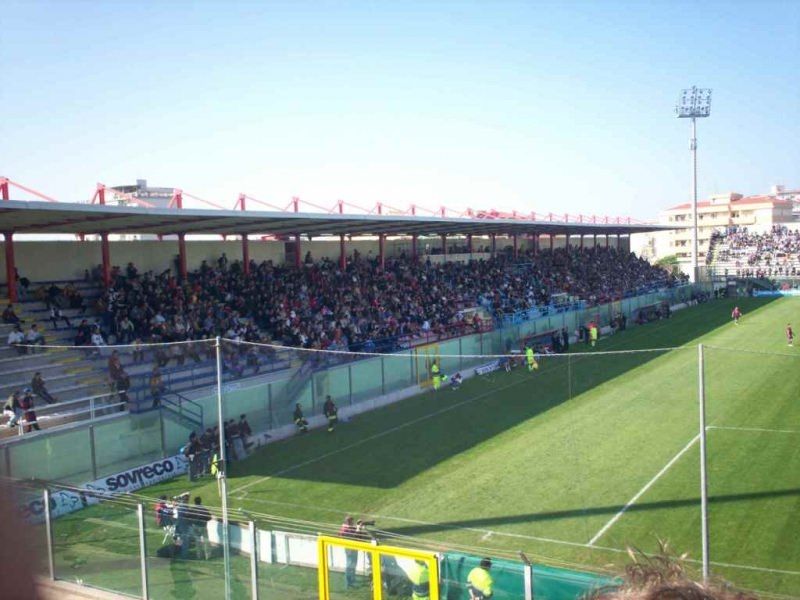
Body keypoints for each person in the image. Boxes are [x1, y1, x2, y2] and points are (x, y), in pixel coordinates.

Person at [339, 516, 359, 588]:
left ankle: (352, 579)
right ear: (349, 521)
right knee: (350, 564)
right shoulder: (345, 529)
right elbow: (352, 536)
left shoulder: (348, 527)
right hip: (349, 548)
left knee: (353, 563)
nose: (353, 522)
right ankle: (349, 582)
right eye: (352, 521)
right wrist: (357, 530)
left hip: (352, 547)